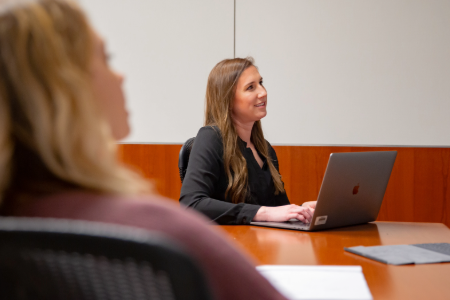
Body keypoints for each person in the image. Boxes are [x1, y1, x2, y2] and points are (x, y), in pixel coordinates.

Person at [0, 1, 288, 299]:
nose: (121, 76)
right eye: (106, 58)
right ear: (66, 91)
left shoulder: (16, 224)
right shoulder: (157, 230)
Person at [180, 58, 317, 225]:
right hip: (230, 244)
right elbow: (191, 204)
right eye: (251, 87)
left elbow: (277, 211)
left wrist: (301, 211)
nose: (263, 92)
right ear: (228, 99)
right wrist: (261, 212)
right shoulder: (211, 138)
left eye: (261, 83)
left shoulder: (265, 149)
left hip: (263, 244)